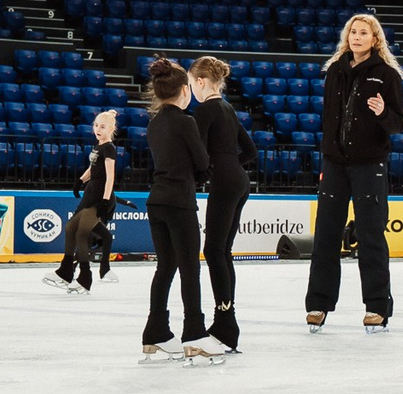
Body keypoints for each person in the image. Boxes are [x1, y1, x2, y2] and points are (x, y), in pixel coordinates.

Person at [305, 13, 403, 334]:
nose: (357, 37)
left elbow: (398, 124)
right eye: (353, 32)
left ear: (375, 39)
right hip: (334, 163)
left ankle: (377, 306)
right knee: (326, 235)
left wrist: (383, 113)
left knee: (371, 234)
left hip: (369, 165)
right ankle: (318, 304)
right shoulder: (334, 71)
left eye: (363, 32)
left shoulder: (386, 75)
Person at [139, 59, 216, 362]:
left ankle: (155, 331)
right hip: (179, 202)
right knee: (189, 268)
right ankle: (195, 334)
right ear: (185, 90)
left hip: (156, 201)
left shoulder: (154, 122)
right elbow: (201, 162)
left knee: (166, 266)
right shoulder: (186, 121)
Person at [190, 56, 257, 350]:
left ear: (201, 82)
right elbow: (251, 150)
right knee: (223, 250)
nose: (192, 89)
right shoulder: (229, 109)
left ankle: (225, 321)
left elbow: (198, 152)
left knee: (214, 250)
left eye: (192, 84)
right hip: (240, 180)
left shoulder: (206, 109)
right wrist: (229, 166)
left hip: (227, 182)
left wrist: (209, 172)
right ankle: (226, 320)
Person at [46, 110, 120, 295]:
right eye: (96, 125)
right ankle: (65, 271)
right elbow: (93, 168)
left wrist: (105, 200)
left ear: (111, 129)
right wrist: (80, 180)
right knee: (71, 228)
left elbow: (110, 177)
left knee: (82, 233)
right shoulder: (98, 146)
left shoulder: (109, 148)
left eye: (102, 127)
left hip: (100, 197)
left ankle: (84, 278)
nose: (98, 129)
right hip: (91, 192)